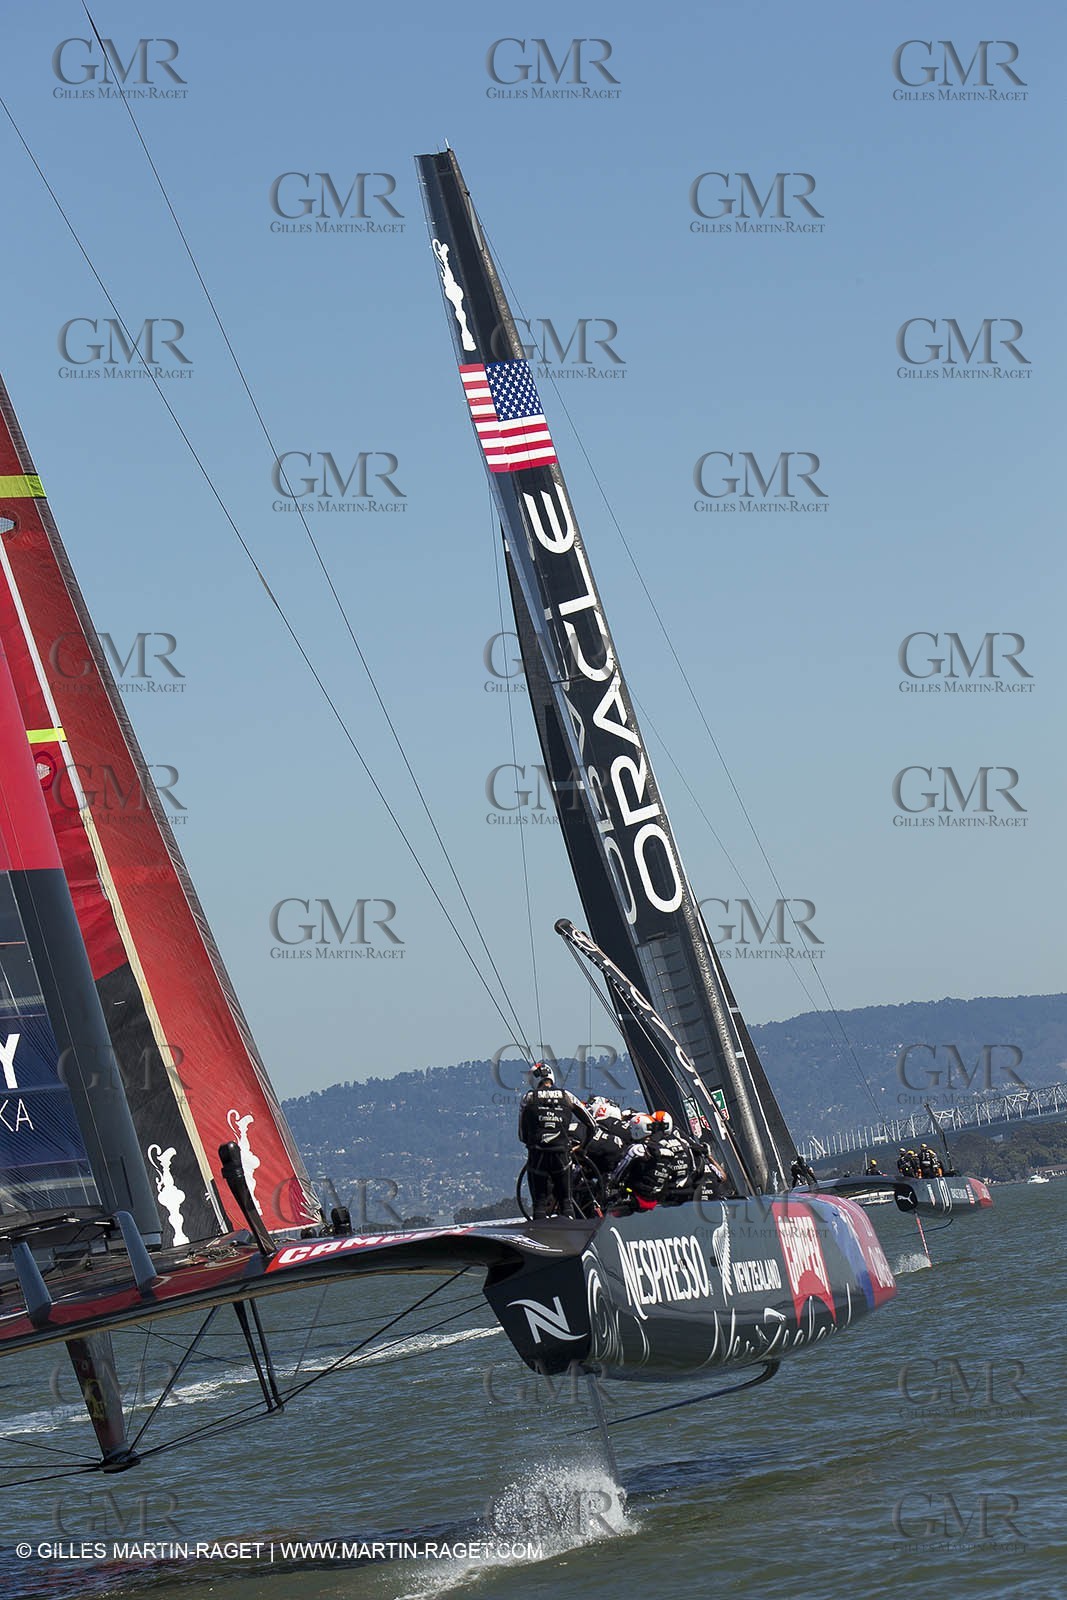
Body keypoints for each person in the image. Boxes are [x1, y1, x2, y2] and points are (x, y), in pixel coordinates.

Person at [518, 1063, 595, 1220]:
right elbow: (592, 1125)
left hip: (537, 1156)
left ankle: (540, 1237)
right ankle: (573, 1235)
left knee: (539, 1204)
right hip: (562, 1155)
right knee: (566, 1202)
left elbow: (521, 1135)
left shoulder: (529, 1098)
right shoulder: (567, 1096)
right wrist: (582, 1147)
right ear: (552, 1077)